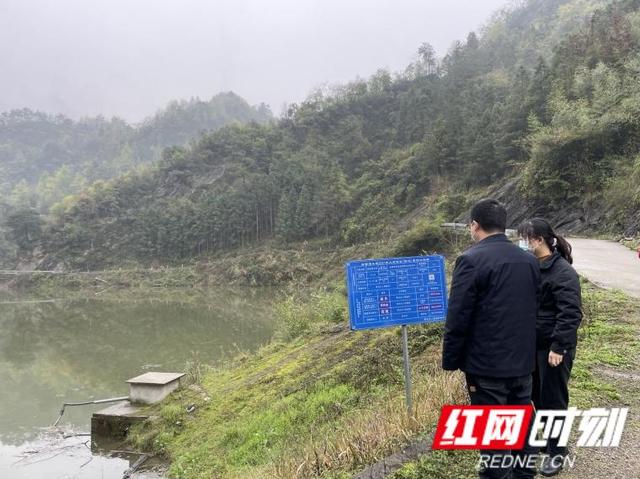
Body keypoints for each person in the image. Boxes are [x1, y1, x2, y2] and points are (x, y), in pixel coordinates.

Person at [443, 198, 541, 479]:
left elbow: (458, 317)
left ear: (475, 226)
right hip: (523, 363)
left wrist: (451, 360)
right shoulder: (528, 260)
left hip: (486, 366)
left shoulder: (470, 260)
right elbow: (532, 308)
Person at [517, 218, 582, 477]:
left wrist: (559, 346)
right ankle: (550, 441)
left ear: (539, 240)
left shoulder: (562, 272)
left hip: (553, 349)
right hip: (533, 346)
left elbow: (570, 313)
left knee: (554, 400)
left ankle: (557, 453)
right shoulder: (532, 266)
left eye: (525, 238)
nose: (522, 243)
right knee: (536, 397)